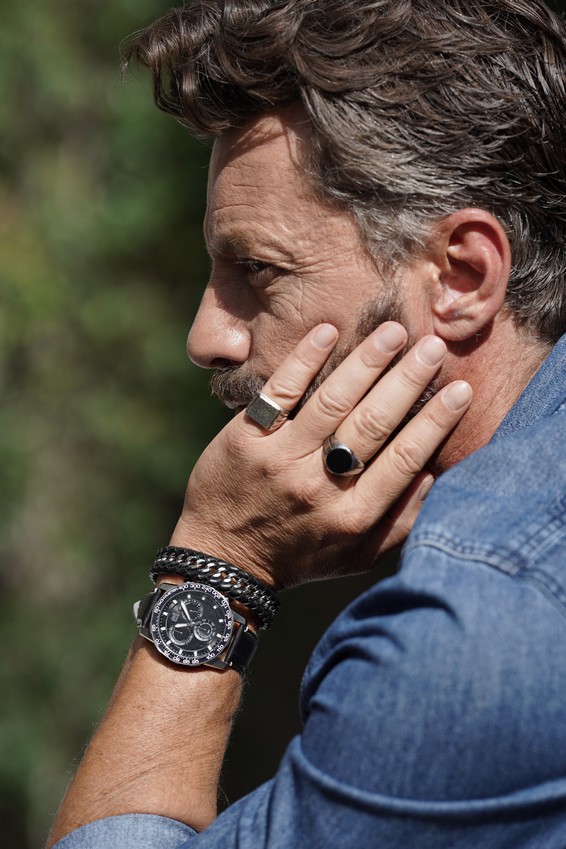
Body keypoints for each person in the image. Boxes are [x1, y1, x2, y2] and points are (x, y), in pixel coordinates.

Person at [48, 0, 566, 846]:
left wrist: (219, 560)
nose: (207, 337)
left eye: (256, 269)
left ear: (463, 277)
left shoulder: (473, 627)